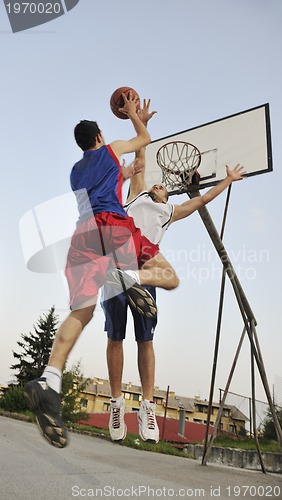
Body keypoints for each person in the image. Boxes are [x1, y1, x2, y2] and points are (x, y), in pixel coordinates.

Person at [24, 94, 180, 448]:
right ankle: (128, 277)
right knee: (169, 276)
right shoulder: (110, 149)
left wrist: (125, 174)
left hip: (81, 238)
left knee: (82, 310)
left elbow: (107, 184)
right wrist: (135, 116)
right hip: (112, 228)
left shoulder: (76, 171)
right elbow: (144, 141)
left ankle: (50, 379)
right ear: (98, 137)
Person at [102, 101, 246, 443]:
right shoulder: (136, 195)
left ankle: (147, 407)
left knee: (146, 340)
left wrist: (226, 179)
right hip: (119, 261)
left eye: (162, 187)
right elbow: (142, 155)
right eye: (155, 184)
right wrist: (140, 120)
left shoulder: (169, 211)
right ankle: (117, 401)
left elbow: (201, 200)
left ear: (169, 193)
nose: (157, 186)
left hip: (143, 272)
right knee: (114, 336)